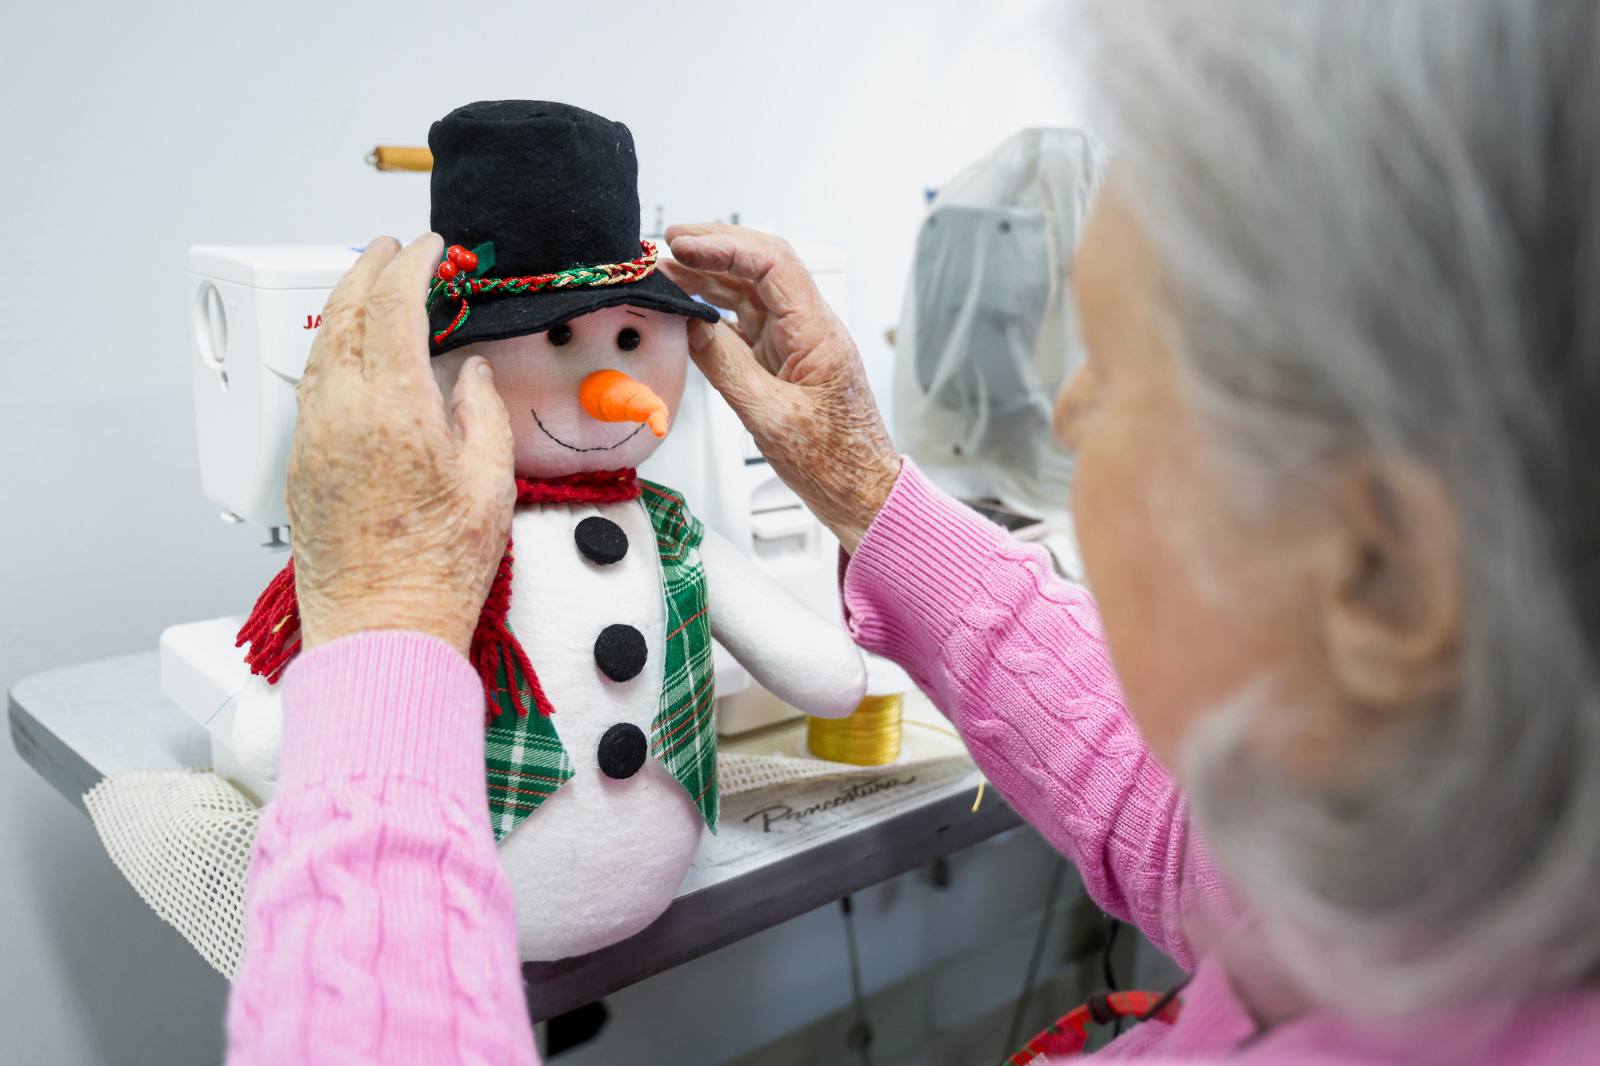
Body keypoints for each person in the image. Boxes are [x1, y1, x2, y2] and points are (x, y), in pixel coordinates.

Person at [224, 1, 1600, 1062]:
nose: (1060, 406)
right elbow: (1210, 863)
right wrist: (868, 487)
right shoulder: (1455, 905)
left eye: (1109, 369)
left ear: (1374, 575)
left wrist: (384, 651)